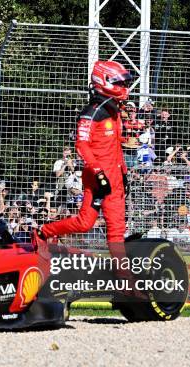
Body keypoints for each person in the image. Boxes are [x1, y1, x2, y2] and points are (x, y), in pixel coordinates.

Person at [39, 60, 132, 247]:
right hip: (98, 178)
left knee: (117, 229)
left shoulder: (114, 111)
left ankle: (122, 274)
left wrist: (123, 174)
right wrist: (98, 172)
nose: (124, 87)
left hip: (115, 178)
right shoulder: (91, 112)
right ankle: (43, 233)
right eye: (119, 83)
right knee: (85, 223)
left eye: (124, 83)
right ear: (104, 80)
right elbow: (81, 144)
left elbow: (114, 146)